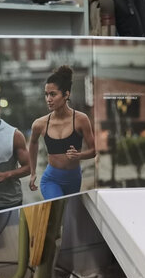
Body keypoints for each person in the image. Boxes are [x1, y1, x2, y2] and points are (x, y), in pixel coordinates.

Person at [29, 66, 96, 199]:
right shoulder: (39, 124)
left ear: (66, 95)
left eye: (53, 94)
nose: (48, 99)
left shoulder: (81, 119)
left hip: (74, 179)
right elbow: (33, 143)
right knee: (58, 205)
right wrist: (33, 172)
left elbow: (93, 151)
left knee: (68, 210)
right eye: (46, 94)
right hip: (51, 180)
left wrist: (79, 155)